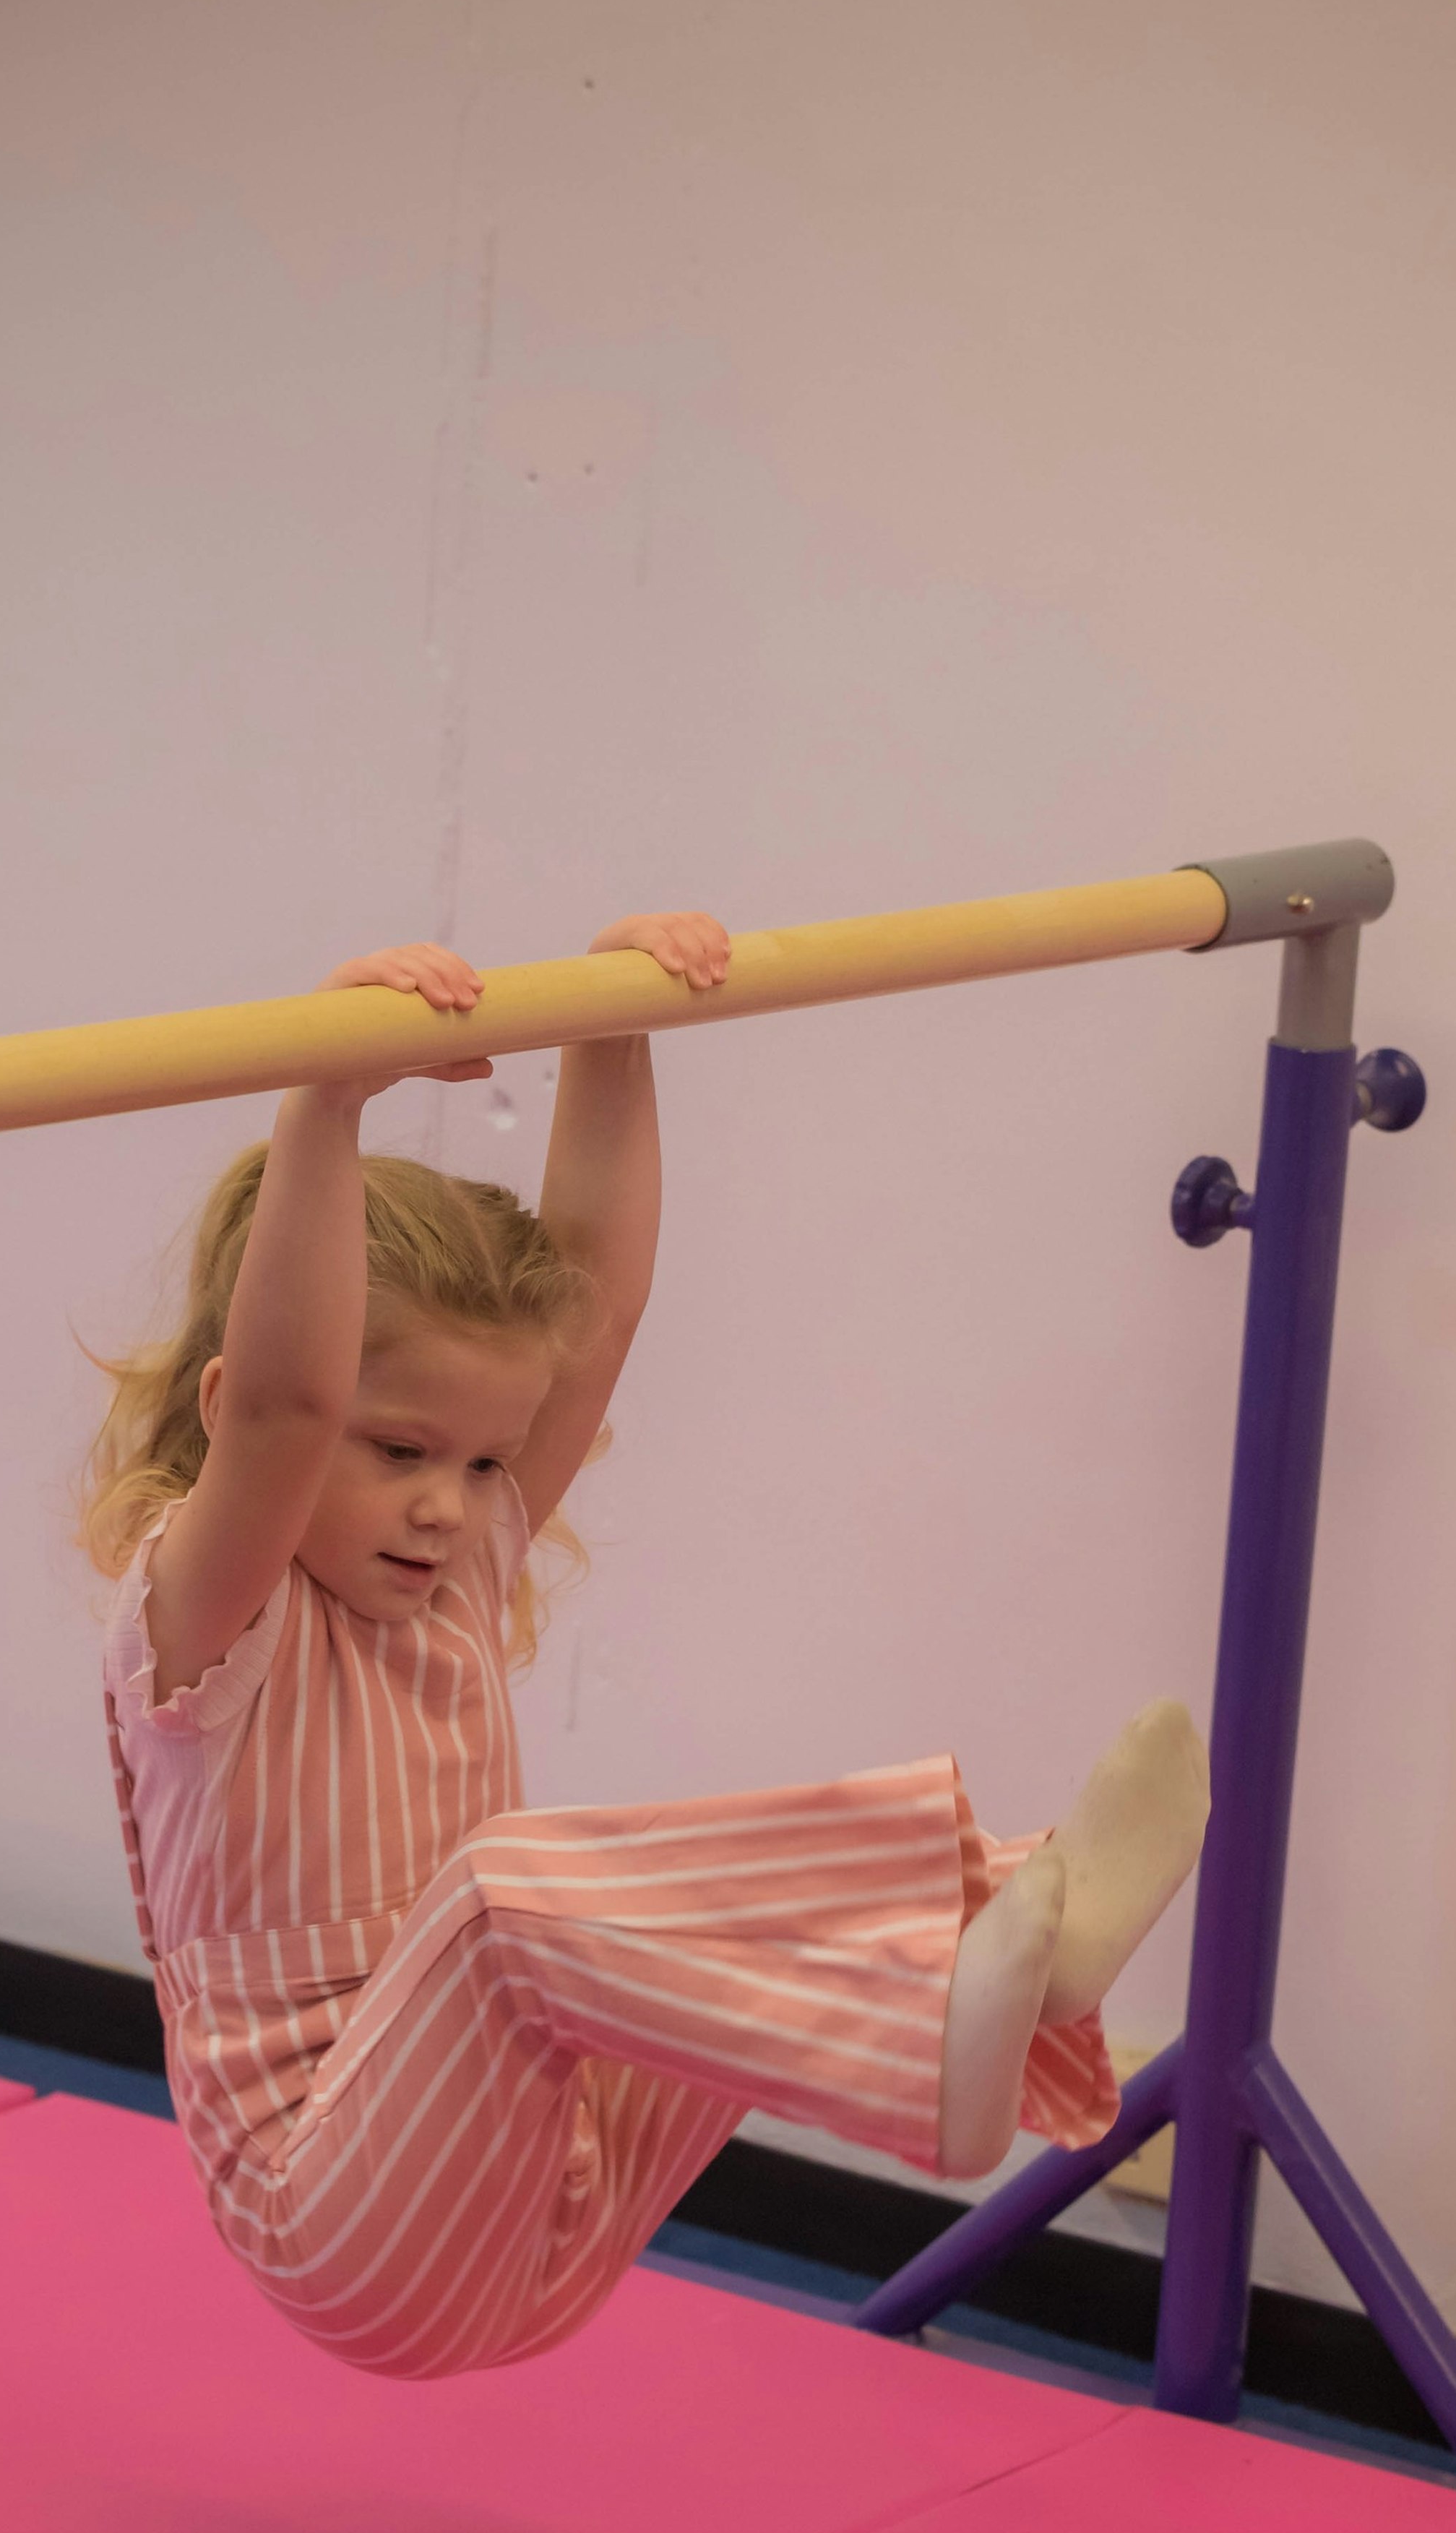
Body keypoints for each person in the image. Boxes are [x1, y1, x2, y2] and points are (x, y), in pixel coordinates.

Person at [82, 912, 1208, 2376]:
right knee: (506, 1894)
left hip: (546, 2194)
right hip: (340, 2216)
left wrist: (611, 1028)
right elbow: (291, 1411)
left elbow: (597, 1311)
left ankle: (1018, 1934)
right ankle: (939, 2030)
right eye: (404, 1449)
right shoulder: (208, 1623)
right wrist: (327, 1097)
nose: (450, 1505)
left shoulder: (456, 1559)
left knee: (657, 1916)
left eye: (485, 1463)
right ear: (237, 1411)